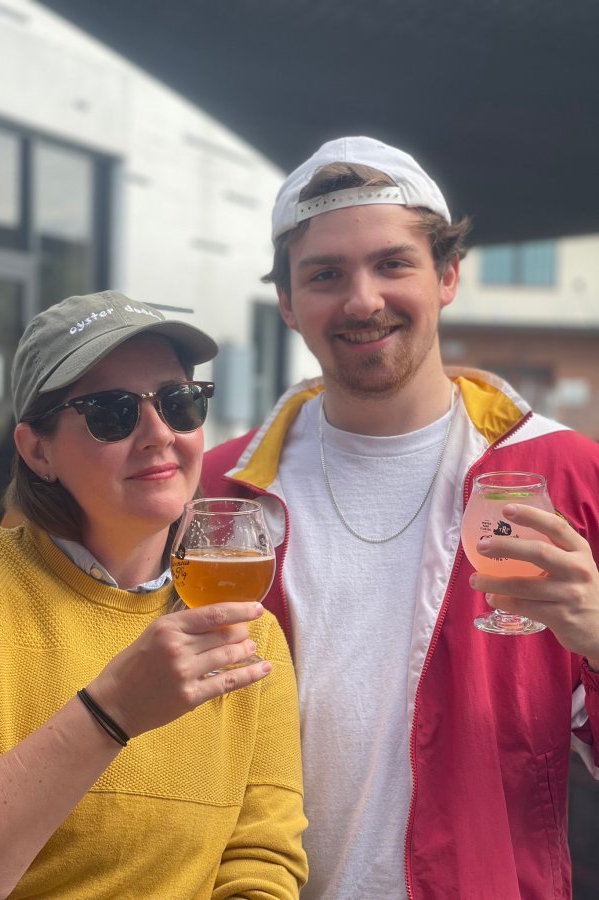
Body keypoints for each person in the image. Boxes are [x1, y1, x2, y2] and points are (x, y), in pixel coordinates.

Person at [201, 136, 599, 899]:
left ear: (446, 276)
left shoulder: (566, 474)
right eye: (324, 274)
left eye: (392, 264)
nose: (361, 300)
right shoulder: (221, 492)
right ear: (286, 303)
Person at [0, 290, 308, 899]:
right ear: (37, 450)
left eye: (179, 404)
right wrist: (112, 712)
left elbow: (260, 863)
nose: (159, 434)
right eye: (112, 412)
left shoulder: (248, 633)